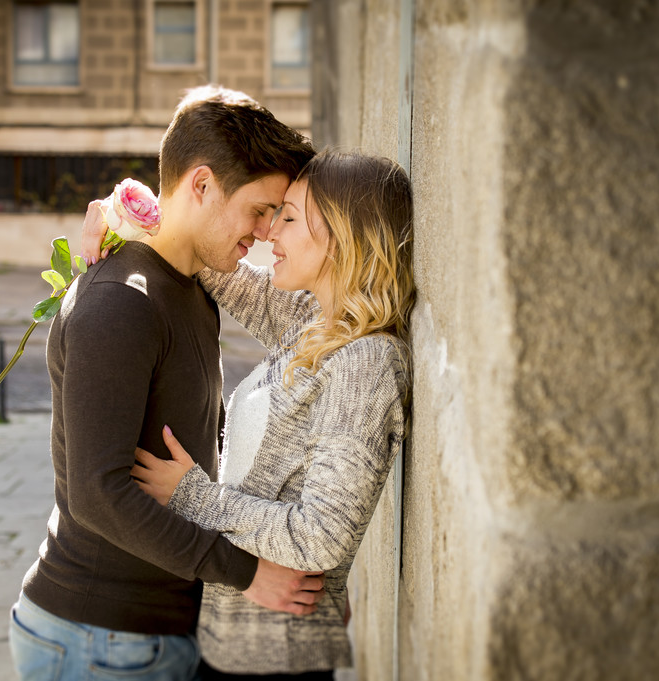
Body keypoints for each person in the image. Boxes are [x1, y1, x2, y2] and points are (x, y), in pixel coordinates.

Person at [9, 86, 320, 681]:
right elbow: (98, 494)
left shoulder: (194, 287)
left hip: (150, 635)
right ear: (201, 184)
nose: (263, 231)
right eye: (259, 209)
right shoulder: (121, 303)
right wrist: (249, 573)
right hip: (98, 639)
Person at [84, 150, 416, 679]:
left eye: (287, 216)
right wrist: (122, 211)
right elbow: (215, 261)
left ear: (343, 234)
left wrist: (193, 496)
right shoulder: (316, 322)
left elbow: (323, 536)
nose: (269, 234)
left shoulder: (366, 362)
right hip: (227, 639)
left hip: (279, 652)